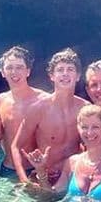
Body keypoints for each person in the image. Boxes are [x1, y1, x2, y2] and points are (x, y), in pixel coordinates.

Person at [10, 48, 89, 184]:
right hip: (45, 176)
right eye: (60, 70)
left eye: (70, 69)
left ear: (77, 76)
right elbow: (16, 146)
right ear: (52, 76)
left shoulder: (85, 108)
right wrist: (24, 179)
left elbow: (95, 145)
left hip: (73, 177)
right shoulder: (38, 109)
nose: (65, 74)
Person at [0, 46, 49, 179]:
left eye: (19, 67)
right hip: (6, 168)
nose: (14, 72)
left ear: (28, 71)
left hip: (33, 171)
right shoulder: (1, 99)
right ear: (2, 72)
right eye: (9, 67)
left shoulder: (43, 100)